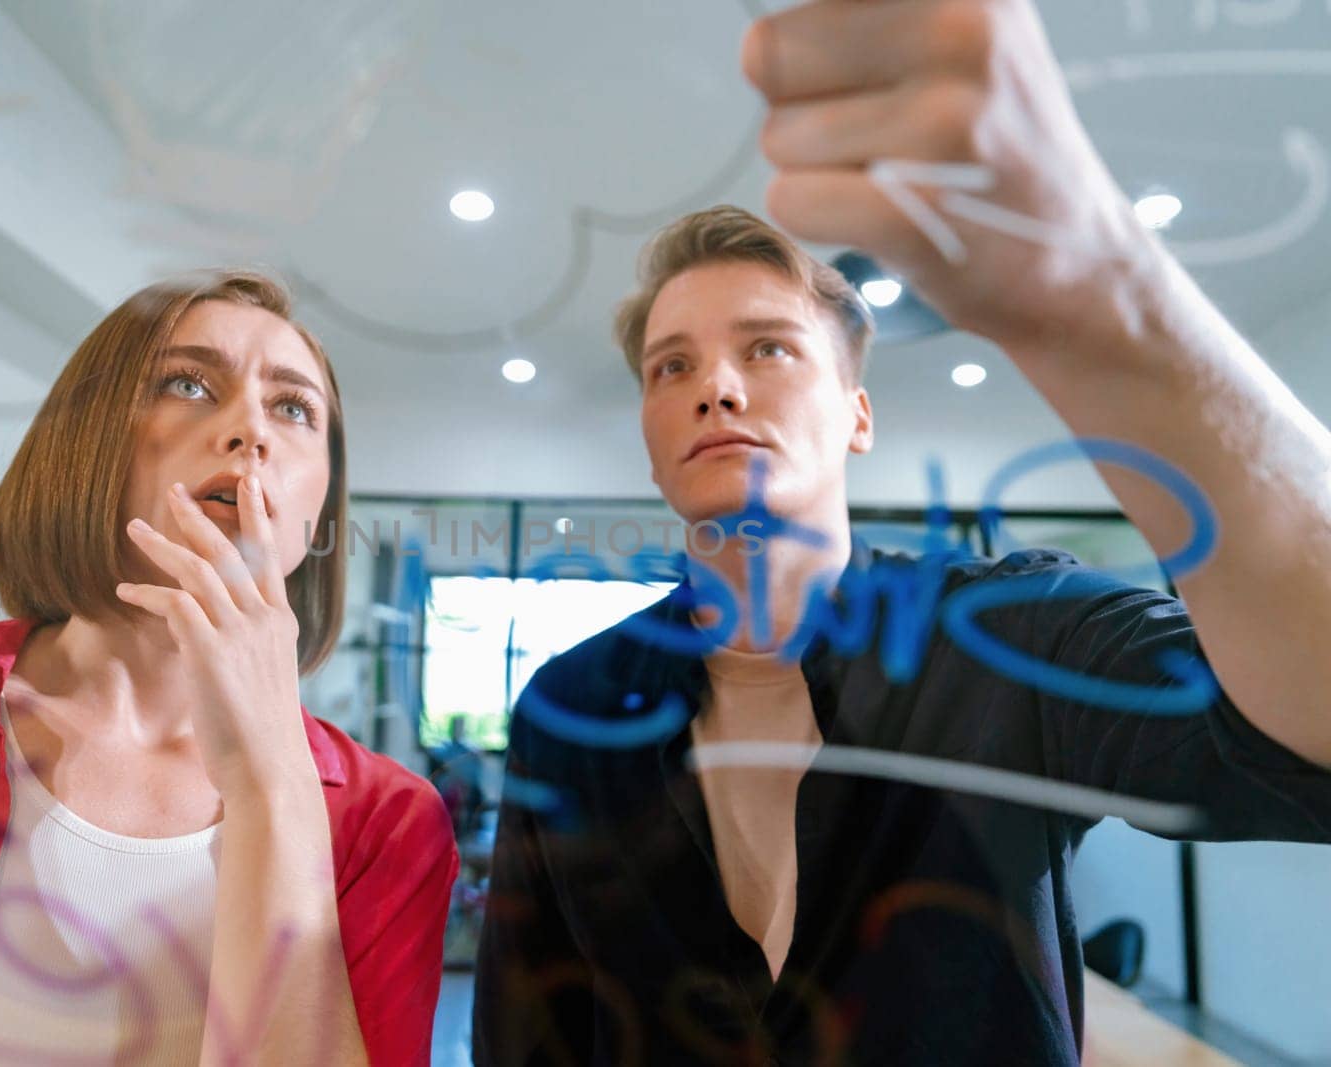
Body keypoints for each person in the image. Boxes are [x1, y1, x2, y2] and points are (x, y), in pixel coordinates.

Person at [473, 2, 1331, 1063]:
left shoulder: (1006, 639)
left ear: (858, 416)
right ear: (651, 441)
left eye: (769, 349)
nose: (716, 388)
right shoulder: (571, 707)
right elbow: (528, 1033)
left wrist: (1098, 280)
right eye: (671, 367)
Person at [0, 270, 458, 1066]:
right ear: (87, 438)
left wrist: (271, 780)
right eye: (187, 382)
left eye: (294, 408)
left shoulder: (393, 827)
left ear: (319, 503)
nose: (252, 427)